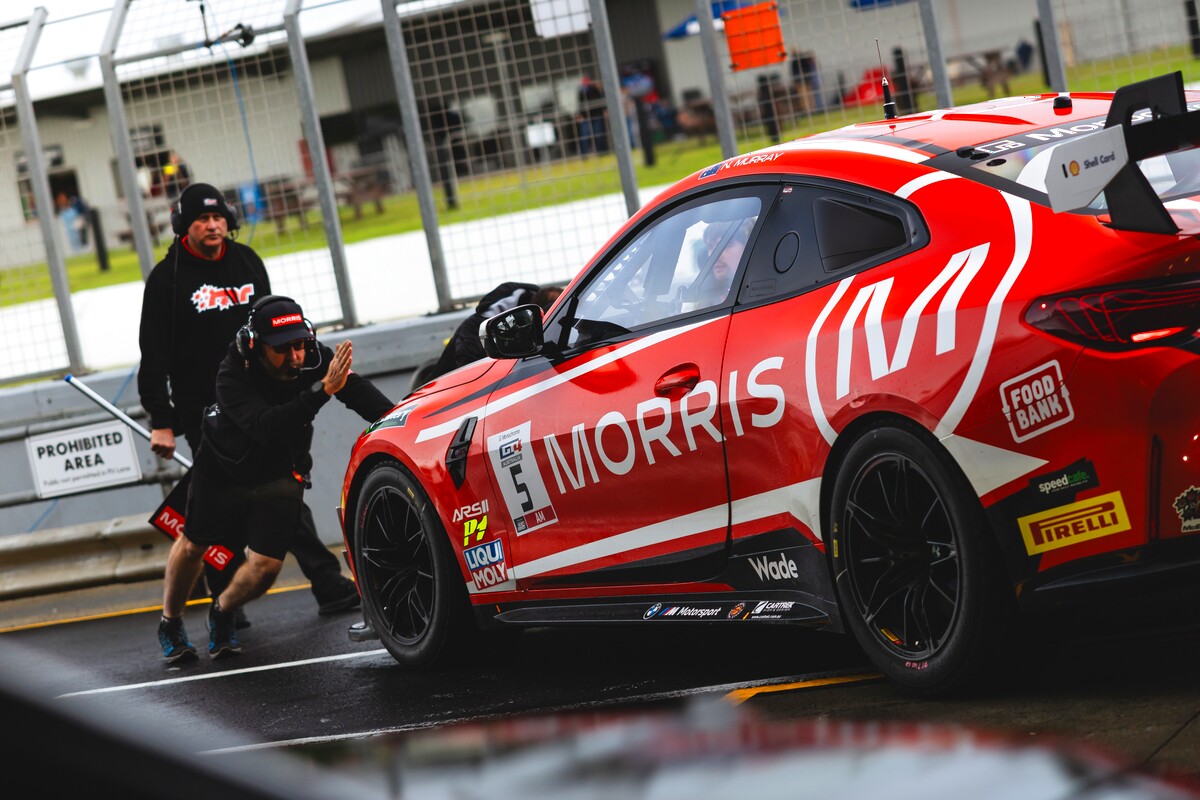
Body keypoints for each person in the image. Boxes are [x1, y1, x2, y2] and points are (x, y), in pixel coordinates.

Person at [138, 183, 362, 628]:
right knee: (225, 503)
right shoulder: (167, 279)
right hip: (207, 412)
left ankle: (324, 581)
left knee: (283, 486)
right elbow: (154, 356)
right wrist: (161, 421)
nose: (213, 225)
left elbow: (274, 326)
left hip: (262, 399)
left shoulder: (247, 262)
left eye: (219, 217)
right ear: (185, 224)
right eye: (202, 219)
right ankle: (226, 597)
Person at [156, 295, 394, 661]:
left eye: (300, 345)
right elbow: (264, 426)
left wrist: (401, 422)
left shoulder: (314, 358)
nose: (295, 357)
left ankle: (222, 611)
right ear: (255, 344)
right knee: (192, 546)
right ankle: (170, 622)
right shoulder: (232, 372)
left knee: (266, 567)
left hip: (281, 471)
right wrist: (321, 392)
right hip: (223, 469)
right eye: (283, 349)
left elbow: (356, 391)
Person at [425, 282, 562, 382]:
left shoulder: (528, 312)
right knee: (447, 377)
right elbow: (480, 325)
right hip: (471, 341)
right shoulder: (510, 304)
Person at [576, 76, 608, 156]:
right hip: (586, 117)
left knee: (599, 134)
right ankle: (584, 154)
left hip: (596, 115)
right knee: (584, 136)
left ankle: (601, 152)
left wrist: (604, 110)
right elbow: (580, 105)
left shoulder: (595, 90)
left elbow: (600, 101)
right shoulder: (581, 92)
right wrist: (580, 115)